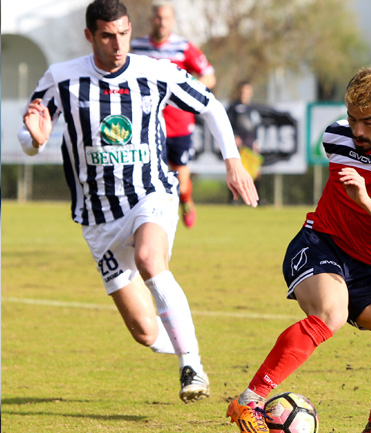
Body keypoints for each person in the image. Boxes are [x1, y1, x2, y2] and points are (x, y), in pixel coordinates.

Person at [18, 0, 258, 404]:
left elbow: (211, 106)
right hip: (98, 217)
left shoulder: (155, 71)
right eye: (107, 36)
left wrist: (232, 163)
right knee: (145, 332)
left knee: (150, 259)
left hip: (151, 193)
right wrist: (35, 141)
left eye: (124, 34)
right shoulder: (62, 78)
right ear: (89, 35)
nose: (118, 45)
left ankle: (192, 365)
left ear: (131, 30)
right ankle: (178, 337)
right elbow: (29, 134)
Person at [226, 66, 371, 433]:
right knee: (331, 313)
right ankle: (249, 400)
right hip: (319, 244)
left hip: (369, 267)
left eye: (368, 121)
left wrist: (366, 200)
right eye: (352, 119)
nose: (357, 131)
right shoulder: (335, 136)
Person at [130, 0, 217, 228]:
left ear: (173, 21)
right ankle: (152, 220)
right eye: (158, 18)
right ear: (151, 20)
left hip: (179, 125)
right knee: (150, 178)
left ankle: (186, 200)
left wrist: (186, 90)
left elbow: (209, 76)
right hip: (147, 125)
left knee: (181, 180)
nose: (161, 22)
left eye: (166, 18)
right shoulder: (136, 47)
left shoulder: (184, 47)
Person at [226, 81, 264, 199]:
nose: (244, 94)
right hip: (238, 145)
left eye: (247, 91)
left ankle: (257, 198)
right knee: (236, 170)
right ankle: (233, 198)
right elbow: (226, 124)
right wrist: (234, 136)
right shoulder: (233, 107)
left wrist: (256, 142)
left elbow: (256, 127)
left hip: (250, 144)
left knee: (255, 171)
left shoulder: (253, 109)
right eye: (243, 91)